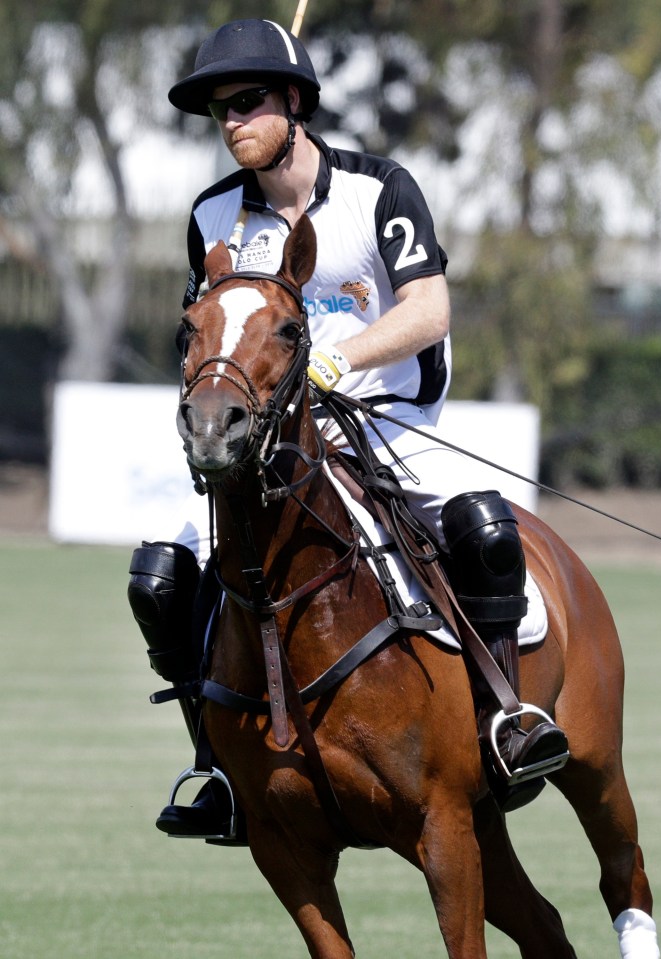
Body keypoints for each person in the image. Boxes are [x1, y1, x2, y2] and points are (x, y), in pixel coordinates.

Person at [127, 18, 568, 839]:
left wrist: (340, 361)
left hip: (393, 415)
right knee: (159, 577)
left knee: (484, 528)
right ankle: (217, 764)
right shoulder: (215, 216)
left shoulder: (380, 189)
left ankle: (509, 716)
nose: (232, 122)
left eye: (248, 102)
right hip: (277, 438)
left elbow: (430, 309)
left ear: (294, 102)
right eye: (219, 110)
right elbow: (203, 323)